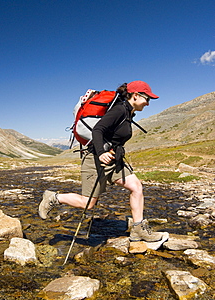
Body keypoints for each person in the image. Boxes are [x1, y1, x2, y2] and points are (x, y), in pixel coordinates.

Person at [39, 80, 163, 242]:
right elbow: (98, 130)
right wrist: (101, 152)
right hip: (95, 158)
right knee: (88, 203)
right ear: (135, 95)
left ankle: (138, 229)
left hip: (113, 158)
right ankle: (53, 198)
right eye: (147, 98)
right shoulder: (119, 110)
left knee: (136, 187)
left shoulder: (128, 112)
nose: (148, 103)